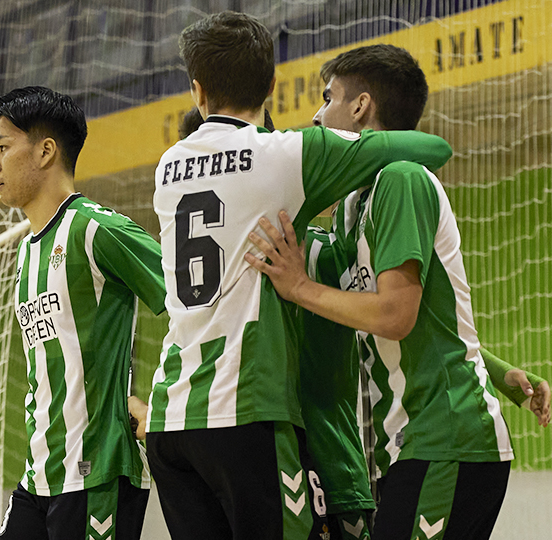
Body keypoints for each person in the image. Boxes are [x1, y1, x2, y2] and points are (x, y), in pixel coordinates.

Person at [146, 12, 453, 540]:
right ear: (271, 86)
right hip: (246, 408)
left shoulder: (168, 164)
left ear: (197, 91)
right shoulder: (287, 154)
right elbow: (433, 150)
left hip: (170, 417)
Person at [246, 45, 550, 540]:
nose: (318, 114)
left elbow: (394, 315)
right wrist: (499, 371)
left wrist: (298, 286)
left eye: (328, 98)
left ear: (360, 106)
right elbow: (415, 314)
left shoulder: (402, 179)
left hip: (447, 437)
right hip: (408, 443)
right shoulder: (352, 206)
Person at [0, 86, 166, 540]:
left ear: (46, 152)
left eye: (3, 147)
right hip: (39, 473)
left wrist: (162, 400)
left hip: (96, 475)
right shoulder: (27, 251)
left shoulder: (97, 229)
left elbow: (193, 303)